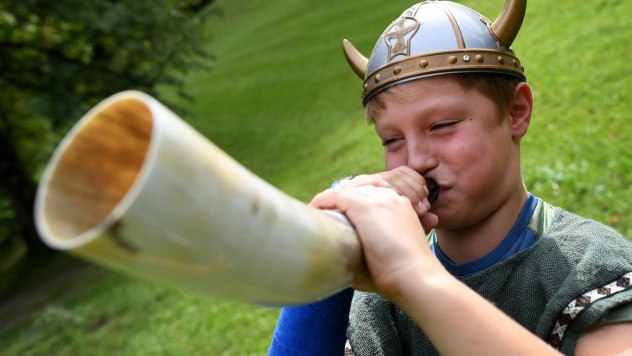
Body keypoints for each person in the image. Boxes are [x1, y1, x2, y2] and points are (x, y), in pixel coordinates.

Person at [269, 0, 632, 354]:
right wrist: (327, 259)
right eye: (391, 139)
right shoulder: (378, 306)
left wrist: (416, 277)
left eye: (441, 126)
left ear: (516, 112)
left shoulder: (588, 269)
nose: (416, 159)